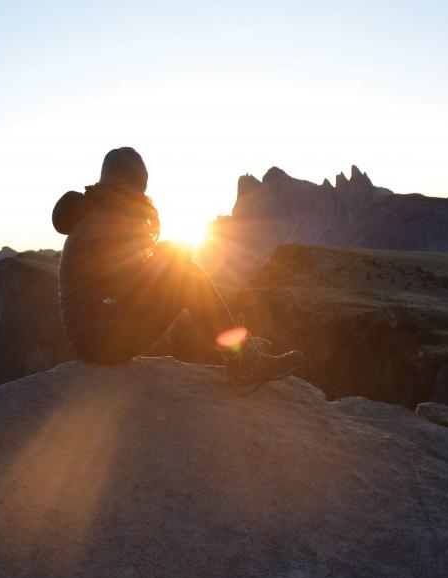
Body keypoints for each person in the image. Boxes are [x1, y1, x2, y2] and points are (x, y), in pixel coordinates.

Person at [52, 146, 303, 393]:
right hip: (101, 340)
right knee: (188, 277)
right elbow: (129, 286)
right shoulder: (109, 220)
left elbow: (123, 281)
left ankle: (242, 356)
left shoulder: (99, 213)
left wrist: (165, 260)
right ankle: (245, 362)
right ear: (137, 184)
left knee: (184, 270)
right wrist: (168, 258)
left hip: (92, 335)